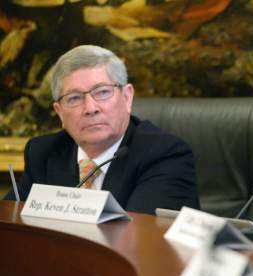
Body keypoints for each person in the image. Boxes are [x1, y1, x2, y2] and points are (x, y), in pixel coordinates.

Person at [4, 45, 200, 214]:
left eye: (103, 92)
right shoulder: (43, 153)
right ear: (59, 112)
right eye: (74, 98)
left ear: (127, 97)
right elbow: (10, 225)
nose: (90, 108)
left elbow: (139, 237)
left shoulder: (164, 155)